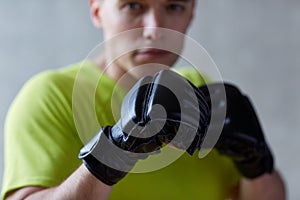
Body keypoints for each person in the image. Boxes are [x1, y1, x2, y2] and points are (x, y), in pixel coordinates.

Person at [1, 0, 285, 199]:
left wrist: (256, 161)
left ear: (191, 13)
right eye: (133, 5)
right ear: (97, 9)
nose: (155, 29)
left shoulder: (200, 91)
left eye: (174, 6)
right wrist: (115, 150)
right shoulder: (50, 96)